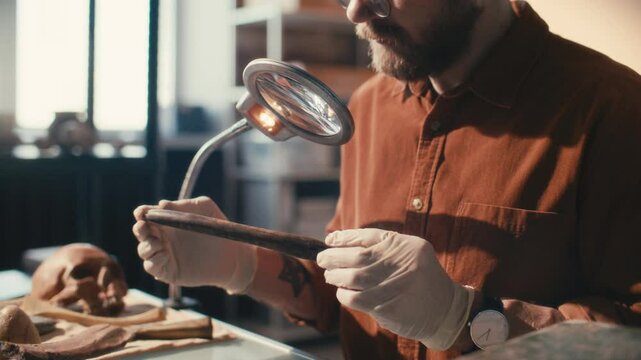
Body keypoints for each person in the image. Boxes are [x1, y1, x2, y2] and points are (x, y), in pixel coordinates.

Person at [133, 0, 641, 358]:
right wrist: (242, 266)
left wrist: (468, 320)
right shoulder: (372, 107)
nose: (356, 10)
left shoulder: (613, 111)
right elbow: (341, 293)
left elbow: (631, 332)